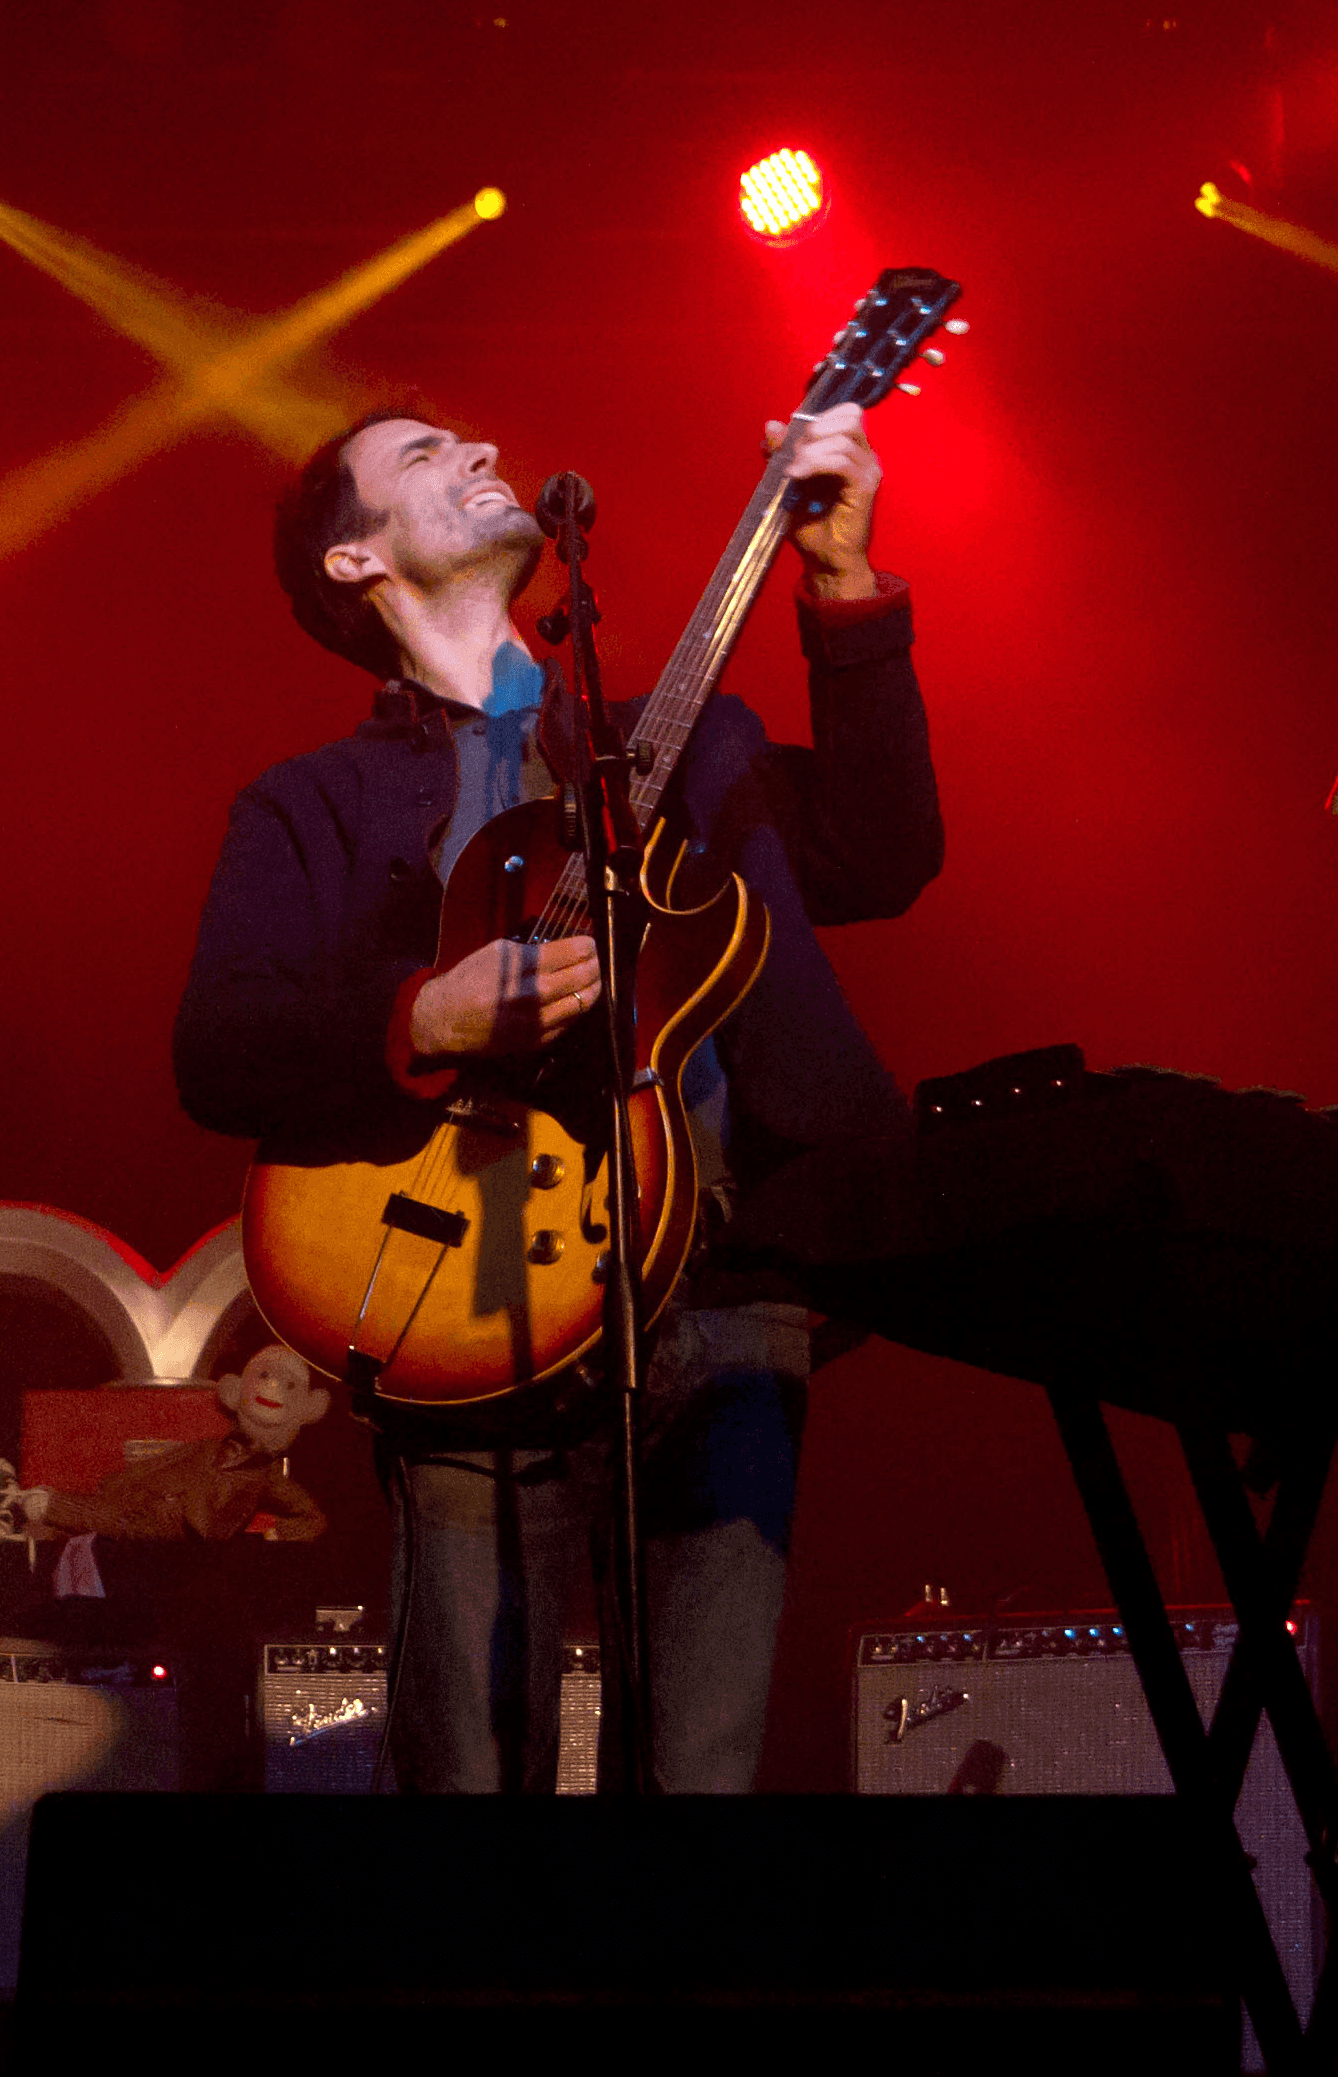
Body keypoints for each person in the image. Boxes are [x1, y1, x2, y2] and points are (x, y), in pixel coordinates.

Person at [177, 403, 941, 1792]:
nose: (476, 451)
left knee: (701, 1783)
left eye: (471, 441)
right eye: (421, 457)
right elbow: (217, 1045)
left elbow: (887, 854)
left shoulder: (684, 742)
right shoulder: (314, 805)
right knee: (472, 1788)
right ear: (355, 563)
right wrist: (426, 1012)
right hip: (460, 1306)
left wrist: (838, 582)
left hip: (715, 1294)